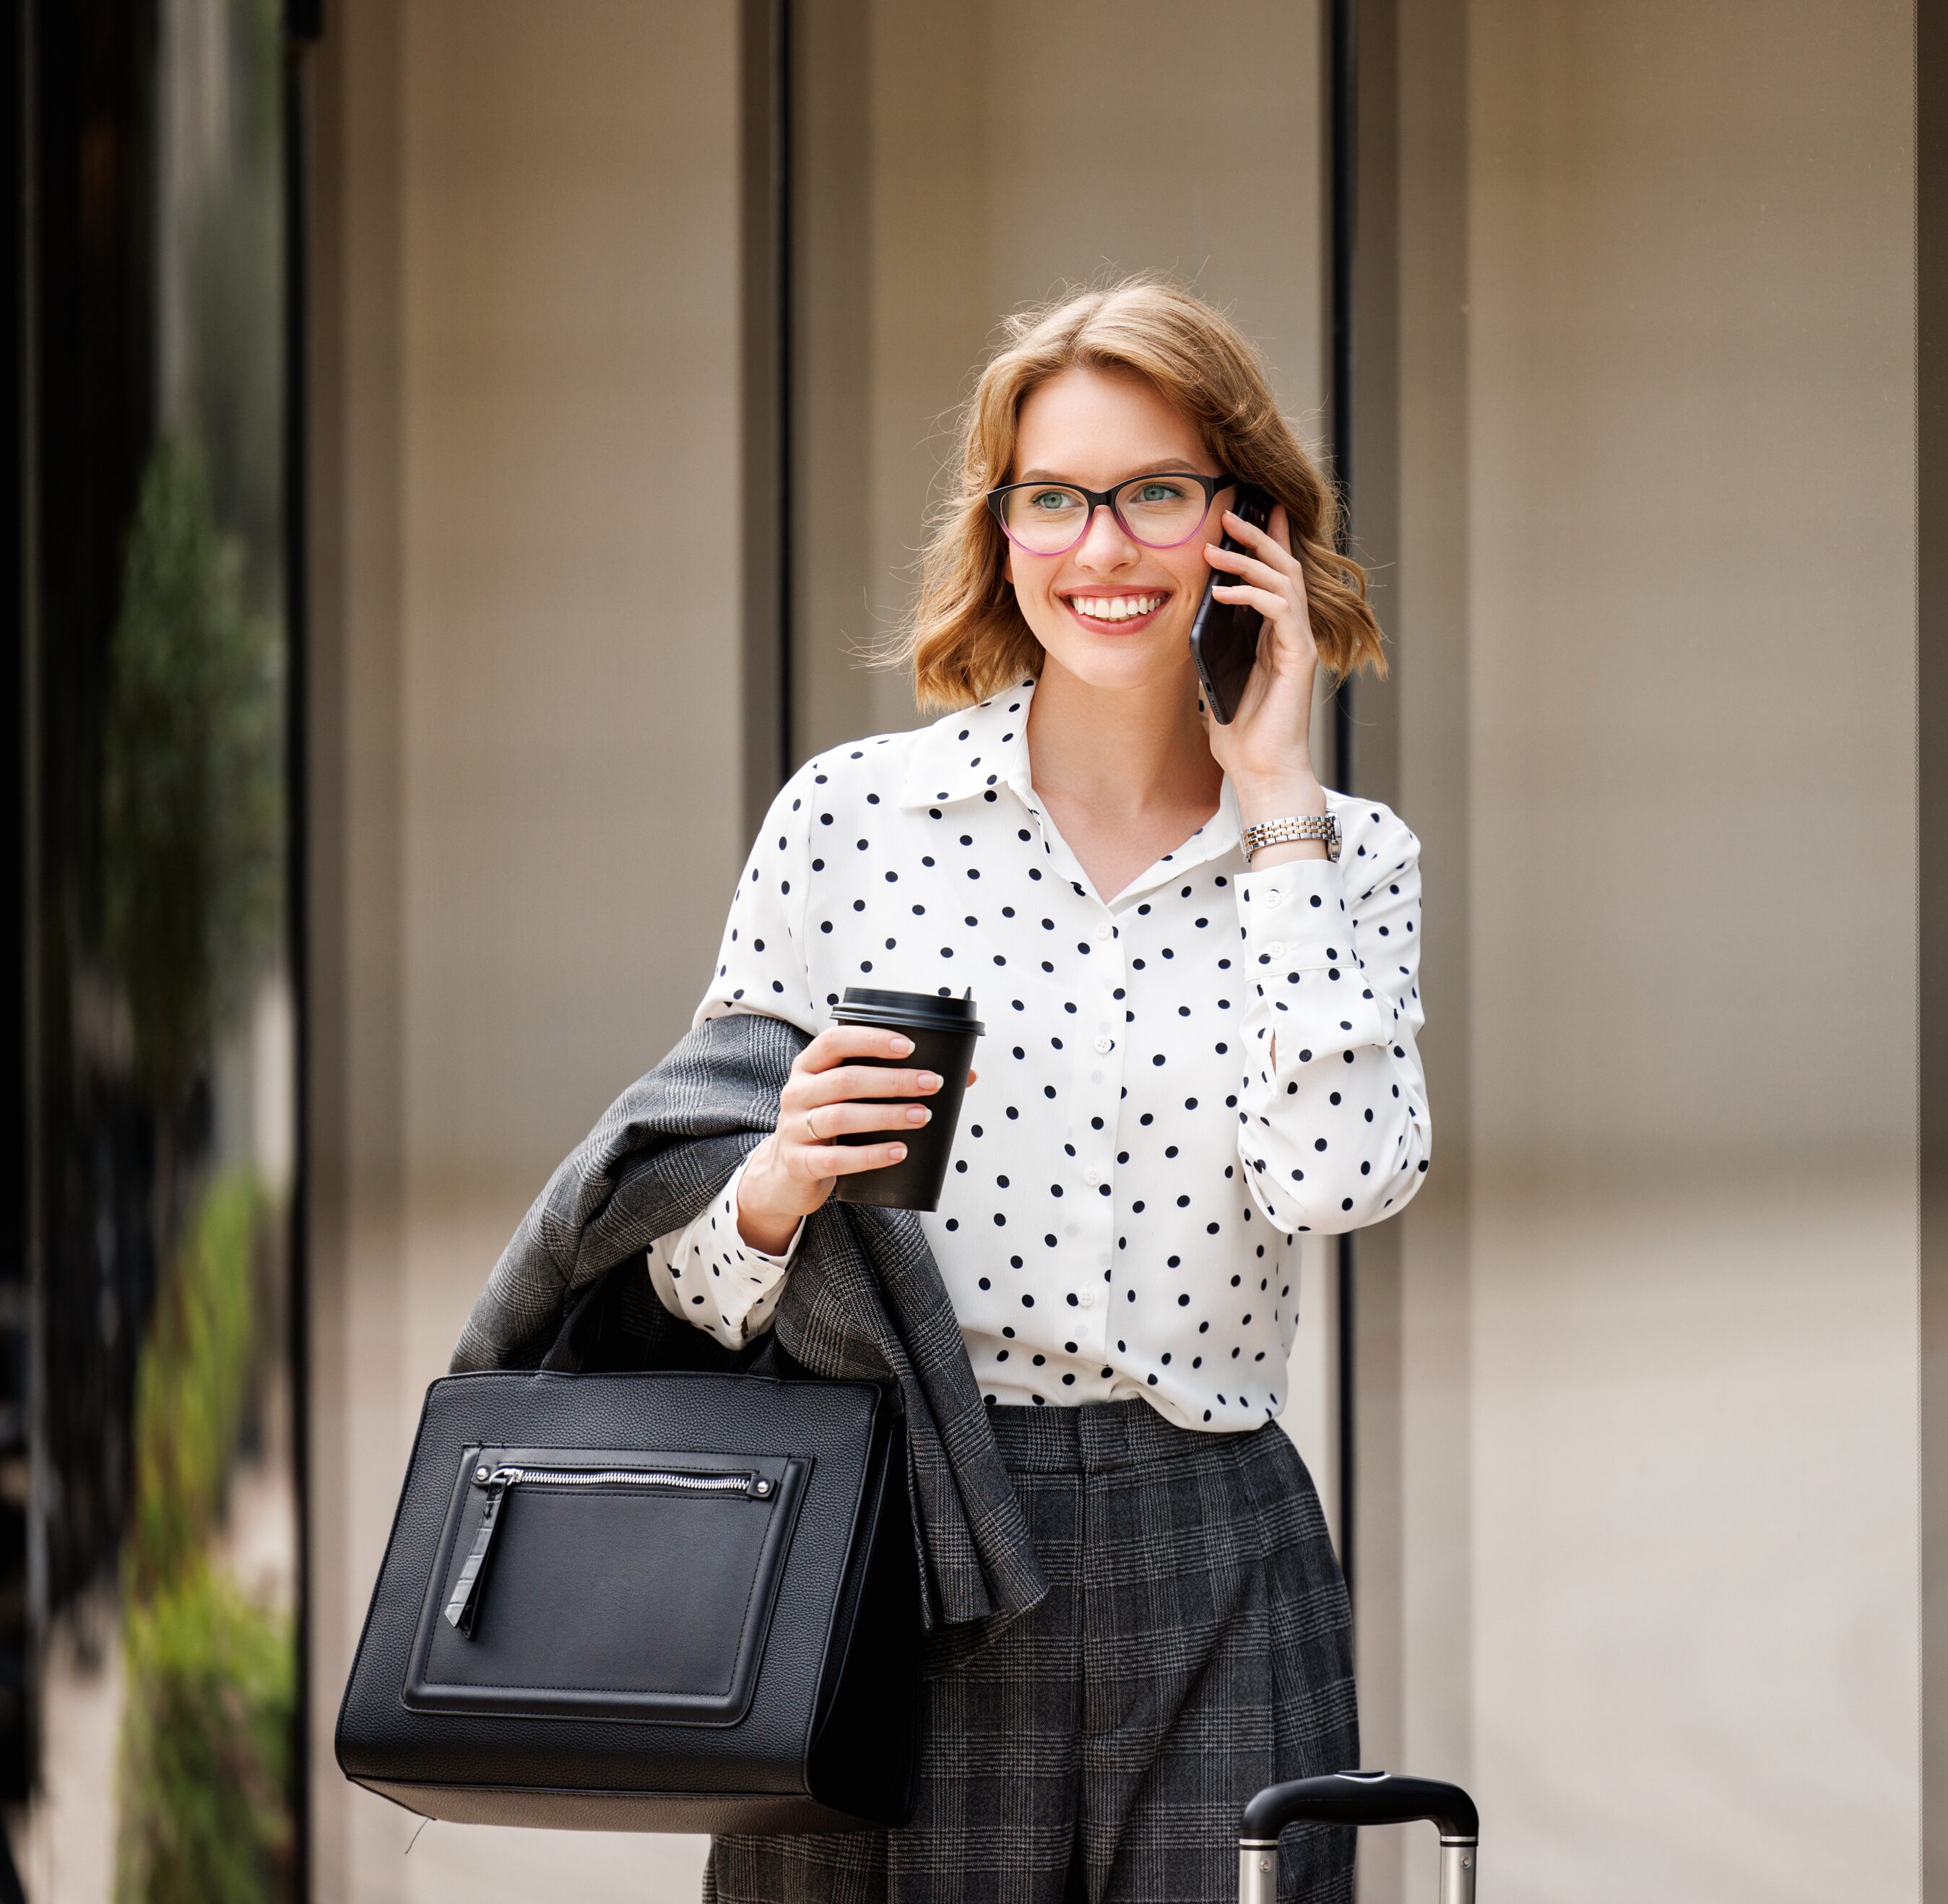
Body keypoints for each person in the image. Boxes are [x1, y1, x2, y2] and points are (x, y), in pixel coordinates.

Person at [464, 277, 1426, 1904]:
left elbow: (1340, 1180)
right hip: (896, 1538)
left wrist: (1276, 800)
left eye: (1158, 494)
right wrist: (771, 1189)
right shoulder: (852, 822)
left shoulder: (1343, 855)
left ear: (1244, 526)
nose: (1104, 548)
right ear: (1001, 529)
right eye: (1054, 497)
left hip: (1217, 1553)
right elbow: (688, 1276)